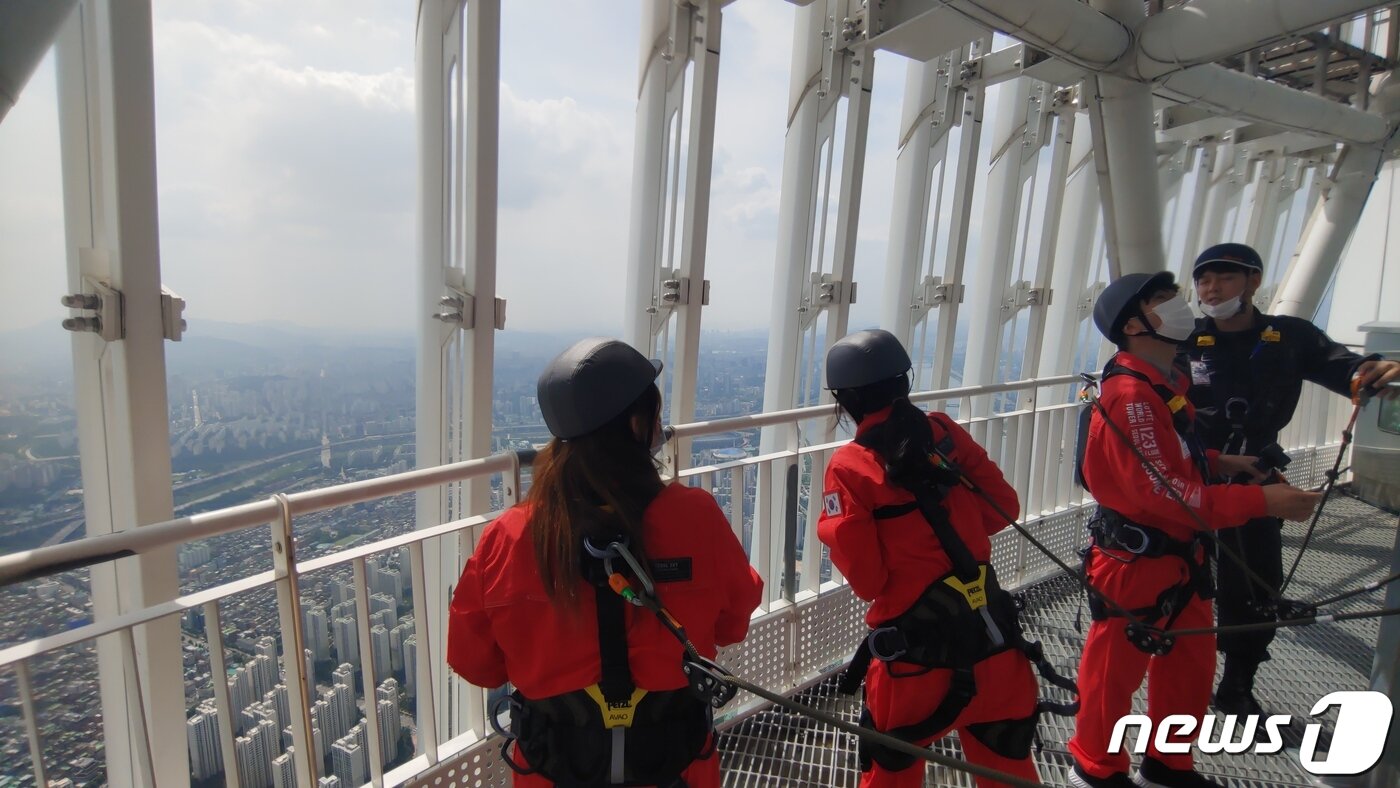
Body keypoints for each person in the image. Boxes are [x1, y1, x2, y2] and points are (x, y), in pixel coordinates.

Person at [446, 337, 763, 787]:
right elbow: (733, 622)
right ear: (639, 424)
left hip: (553, 772)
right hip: (677, 766)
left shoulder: (509, 539)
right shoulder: (697, 518)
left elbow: (474, 661)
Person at [1068, 272, 1321, 788]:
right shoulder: (1133, 396)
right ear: (1135, 325)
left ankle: (1167, 767)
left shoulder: (1162, 387)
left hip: (1178, 556)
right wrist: (1263, 500)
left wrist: (1223, 462)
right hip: (1136, 564)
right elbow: (1160, 492)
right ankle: (1095, 773)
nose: (1180, 304)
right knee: (1113, 676)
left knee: (1189, 667)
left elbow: (1171, 461)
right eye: (1163, 300)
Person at [818, 329, 1047, 788]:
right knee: (1009, 774)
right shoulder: (943, 432)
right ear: (905, 382)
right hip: (995, 644)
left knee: (890, 775)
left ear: (846, 401)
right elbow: (1004, 507)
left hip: (915, 666)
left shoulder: (849, 467)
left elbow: (869, 580)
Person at [1184, 242, 1400, 717]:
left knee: (1257, 586)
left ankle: (1238, 684)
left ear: (1254, 282)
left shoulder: (1291, 337)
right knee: (1182, 579)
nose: (1211, 288)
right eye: (1204, 279)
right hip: (1194, 477)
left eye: (1224, 277)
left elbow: (1345, 368)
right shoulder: (1183, 342)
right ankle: (1182, 678)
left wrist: (1373, 369)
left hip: (1258, 478)